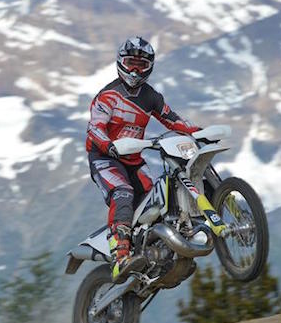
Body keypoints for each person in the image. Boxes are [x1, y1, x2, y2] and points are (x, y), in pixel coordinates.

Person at [86, 36, 201, 282]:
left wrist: (197, 132)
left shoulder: (151, 97)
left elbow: (173, 120)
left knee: (155, 200)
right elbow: (94, 128)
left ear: (150, 67)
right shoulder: (107, 96)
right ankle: (120, 254)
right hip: (105, 158)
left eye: (142, 65)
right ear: (120, 63)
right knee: (123, 192)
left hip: (134, 159)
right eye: (131, 64)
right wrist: (109, 145)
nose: (135, 71)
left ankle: (158, 251)